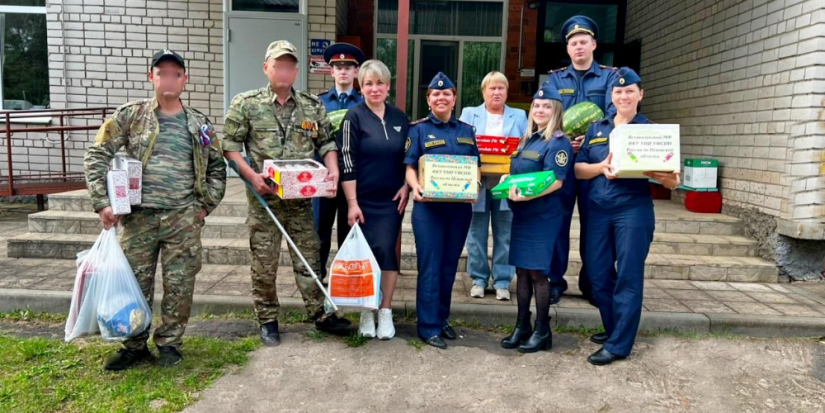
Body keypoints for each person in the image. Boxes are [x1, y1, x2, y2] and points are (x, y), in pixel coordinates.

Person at [84, 49, 227, 370]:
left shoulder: (199, 124)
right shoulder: (131, 116)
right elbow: (97, 155)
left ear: (185, 79)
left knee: (179, 285)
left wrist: (204, 207)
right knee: (134, 283)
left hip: (183, 219)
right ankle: (134, 344)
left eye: (175, 73)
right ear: (151, 77)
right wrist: (102, 202)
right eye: (161, 73)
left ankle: (170, 344)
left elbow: (218, 167)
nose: (169, 79)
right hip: (138, 220)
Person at [222, 40, 351, 347]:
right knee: (264, 263)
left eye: (289, 66)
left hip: (301, 201)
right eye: (277, 65)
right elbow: (229, 146)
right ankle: (267, 320)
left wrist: (332, 170)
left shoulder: (311, 105)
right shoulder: (247, 103)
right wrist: (252, 177)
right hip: (264, 201)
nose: (284, 70)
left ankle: (320, 315)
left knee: (309, 256)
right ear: (266, 67)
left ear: (295, 71)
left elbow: (327, 144)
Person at [574, 68, 680, 365]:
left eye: (629, 91)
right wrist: (600, 167)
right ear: (612, 96)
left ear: (640, 95)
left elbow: (674, 181)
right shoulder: (596, 129)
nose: (623, 95)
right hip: (597, 211)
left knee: (629, 275)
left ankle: (619, 344)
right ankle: (613, 328)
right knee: (597, 274)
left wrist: (661, 175)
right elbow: (578, 169)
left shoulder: (653, 131)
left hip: (632, 210)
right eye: (618, 92)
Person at [544, 15, 620, 305]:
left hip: (596, 163)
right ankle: (554, 281)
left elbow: (614, 113)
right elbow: (547, 114)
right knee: (557, 223)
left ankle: (594, 283)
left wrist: (588, 139)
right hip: (562, 160)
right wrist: (562, 135)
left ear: (593, 45)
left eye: (583, 42)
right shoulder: (555, 78)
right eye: (573, 43)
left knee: (596, 226)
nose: (578, 47)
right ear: (568, 48)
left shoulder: (611, 77)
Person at [404, 72, 480, 350]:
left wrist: (476, 186)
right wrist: (415, 188)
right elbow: (410, 166)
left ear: (454, 98)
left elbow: (476, 166)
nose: (441, 97)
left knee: (449, 267)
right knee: (431, 268)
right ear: (428, 100)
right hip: (429, 211)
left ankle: (442, 319)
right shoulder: (419, 130)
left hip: (459, 211)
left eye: (446, 93)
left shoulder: (467, 130)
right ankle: (427, 327)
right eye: (435, 94)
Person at [336, 60, 410, 340]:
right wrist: (352, 202)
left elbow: (410, 159)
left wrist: (406, 185)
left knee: (386, 251)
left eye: (379, 83)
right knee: (364, 257)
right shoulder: (353, 117)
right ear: (361, 86)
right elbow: (347, 161)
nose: (374, 88)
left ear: (388, 87)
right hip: (361, 200)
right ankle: (366, 311)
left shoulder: (400, 118)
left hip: (392, 200)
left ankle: (386, 310)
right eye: (368, 83)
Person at [499, 84, 571, 354]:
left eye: (546, 106)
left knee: (539, 273)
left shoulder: (558, 141)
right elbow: (521, 171)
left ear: (555, 111)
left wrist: (526, 196)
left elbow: (556, 181)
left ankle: (543, 330)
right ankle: (522, 325)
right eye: (536, 106)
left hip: (543, 216)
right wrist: (509, 179)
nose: (540, 110)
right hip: (523, 214)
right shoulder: (528, 139)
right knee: (521, 271)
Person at [459, 71, 527, 301]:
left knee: (505, 233)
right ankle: (478, 279)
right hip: (476, 182)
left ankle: (502, 280)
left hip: (506, 183)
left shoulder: (519, 116)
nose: (496, 92)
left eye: (501, 88)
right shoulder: (469, 113)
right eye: (492, 88)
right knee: (476, 231)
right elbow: (463, 144)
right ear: (483, 91)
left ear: (507, 92)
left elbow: (524, 148)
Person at [314, 42, 365, 281]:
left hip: (353, 179)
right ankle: (318, 279)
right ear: (331, 71)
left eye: (348, 67)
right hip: (324, 179)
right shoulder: (317, 103)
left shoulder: (364, 104)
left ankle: (346, 280)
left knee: (349, 230)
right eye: (338, 67)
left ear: (356, 72)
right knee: (320, 231)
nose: (343, 71)